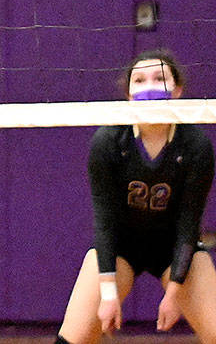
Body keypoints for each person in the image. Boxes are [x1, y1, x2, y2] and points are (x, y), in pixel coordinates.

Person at [54, 49, 216, 344]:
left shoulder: (196, 146)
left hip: (175, 247)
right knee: (73, 338)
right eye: (139, 80)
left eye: (160, 79)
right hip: (121, 248)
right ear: (129, 95)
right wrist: (108, 293)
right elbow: (104, 223)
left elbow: (189, 224)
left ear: (177, 91)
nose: (150, 86)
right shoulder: (108, 141)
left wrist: (174, 294)